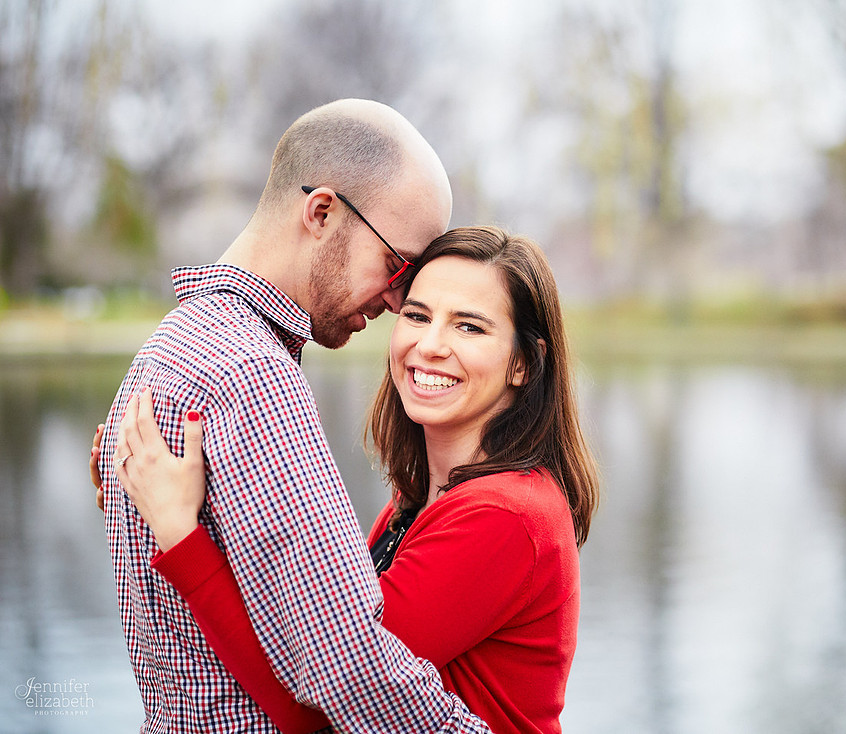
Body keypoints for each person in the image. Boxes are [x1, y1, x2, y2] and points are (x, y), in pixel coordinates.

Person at [95, 227, 599, 734]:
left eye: (469, 328)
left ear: (522, 363)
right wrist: (156, 492)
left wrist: (181, 532)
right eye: (418, 316)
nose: (430, 345)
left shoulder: (505, 516)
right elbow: (307, 633)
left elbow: (321, 705)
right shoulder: (419, 501)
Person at [93, 98, 495, 732]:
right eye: (397, 265)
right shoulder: (250, 372)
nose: (398, 300)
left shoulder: (166, 348)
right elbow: (352, 666)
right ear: (322, 212)